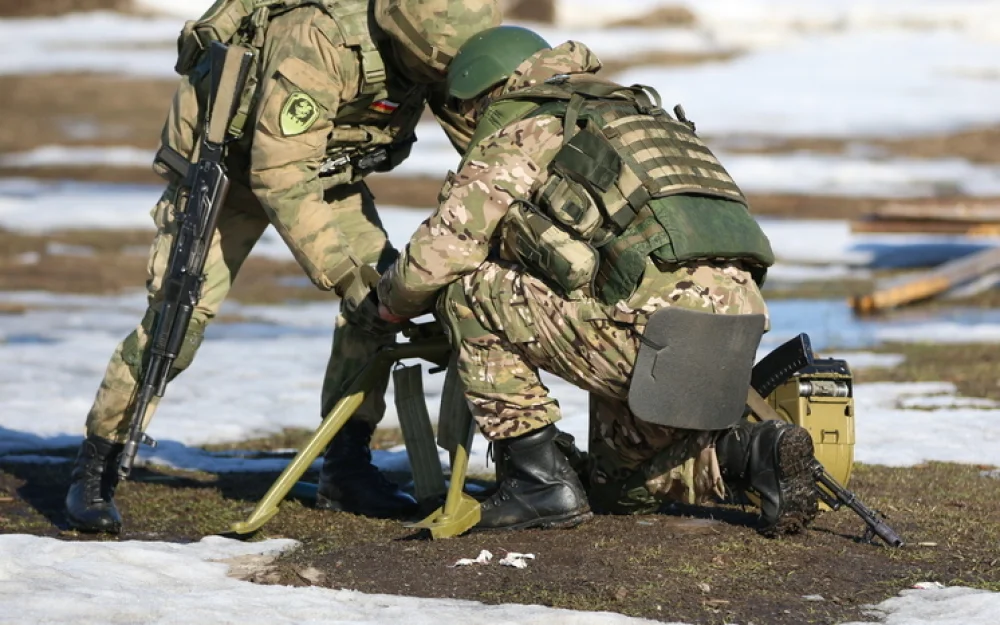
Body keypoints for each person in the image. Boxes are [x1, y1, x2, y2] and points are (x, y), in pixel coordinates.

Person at [64, 0, 502, 534]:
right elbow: (280, 175)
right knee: (178, 321)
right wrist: (341, 273)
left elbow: (484, 139)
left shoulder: (435, 47)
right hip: (231, 172)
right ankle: (97, 464)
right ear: (410, 43)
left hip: (327, 174)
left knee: (383, 297)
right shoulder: (319, 39)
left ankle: (346, 466)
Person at [374, 25, 819, 535]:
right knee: (614, 487)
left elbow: (438, 255)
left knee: (466, 292)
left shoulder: (526, 126)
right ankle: (750, 454)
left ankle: (537, 481)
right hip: (734, 336)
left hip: (652, 333)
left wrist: (385, 304)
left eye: (464, 112)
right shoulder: (633, 113)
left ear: (487, 94)